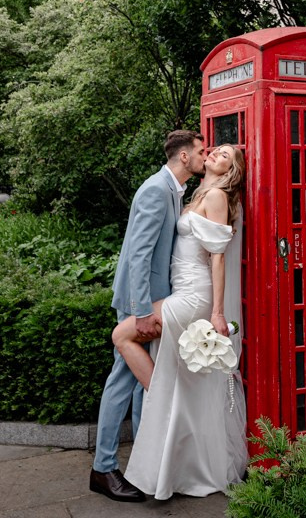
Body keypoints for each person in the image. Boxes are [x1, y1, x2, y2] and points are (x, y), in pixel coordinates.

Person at [115, 144, 248, 500]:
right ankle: (171, 411)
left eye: (225, 156)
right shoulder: (197, 191)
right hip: (183, 289)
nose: (216, 154)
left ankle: (162, 398)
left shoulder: (217, 195)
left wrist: (217, 312)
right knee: (180, 373)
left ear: (231, 171)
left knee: (122, 335)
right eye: (216, 150)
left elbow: (217, 258)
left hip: (193, 295)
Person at [89, 129, 207, 504]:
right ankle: (103, 468)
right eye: (201, 151)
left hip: (156, 301)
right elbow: (138, 254)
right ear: (184, 157)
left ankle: (145, 465)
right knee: (123, 381)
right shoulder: (157, 189)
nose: (205, 156)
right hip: (141, 303)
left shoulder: (173, 189)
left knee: (144, 386)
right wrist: (141, 311)